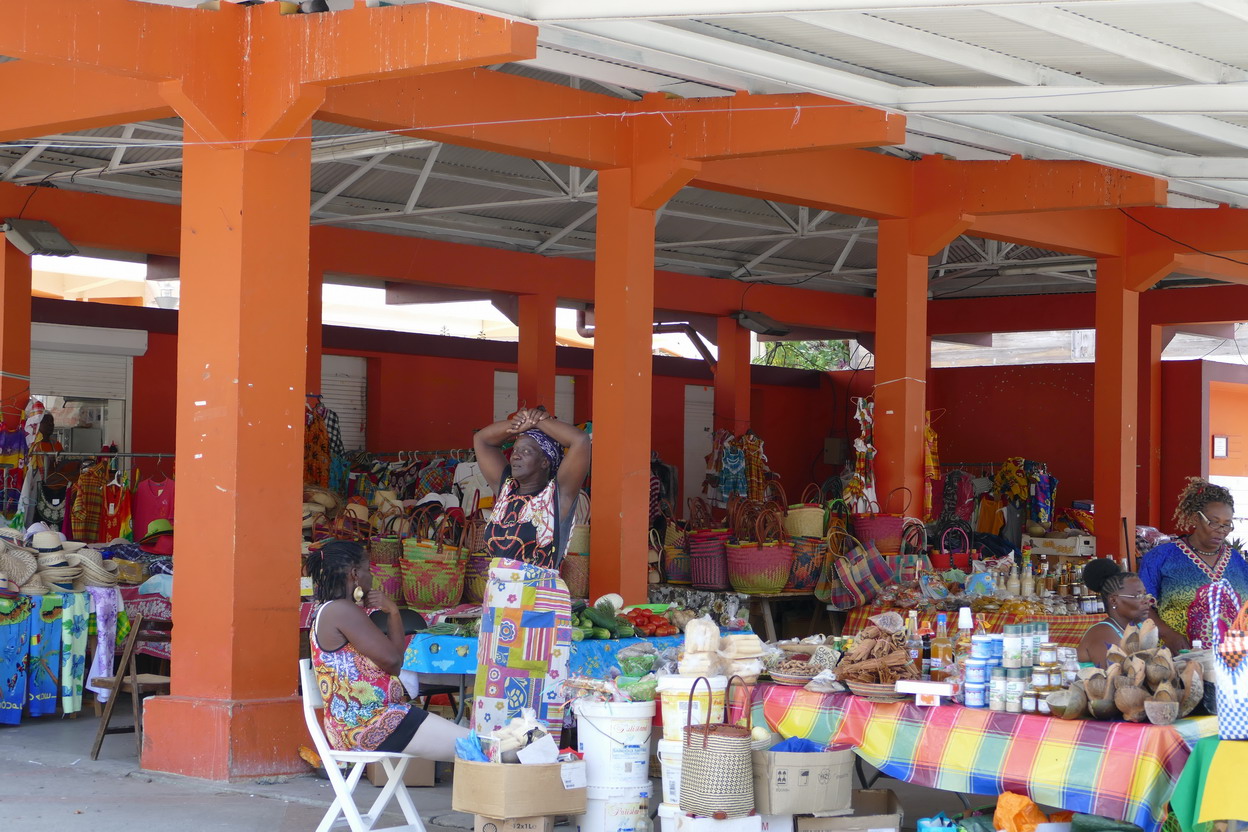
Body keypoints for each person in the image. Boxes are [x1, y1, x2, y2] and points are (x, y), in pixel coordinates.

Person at [471, 407, 591, 737]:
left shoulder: (559, 495)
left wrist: (539, 422)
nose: (517, 456)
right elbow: (482, 439)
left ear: (545, 463)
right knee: (494, 696)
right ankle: (493, 761)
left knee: (534, 699)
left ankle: (533, 767)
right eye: (515, 450)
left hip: (538, 611)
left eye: (528, 451)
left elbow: (580, 440)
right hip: (498, 614)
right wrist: (517, 426)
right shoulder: (505, 489)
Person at [308, 539, 467, 757]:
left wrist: (392, 611)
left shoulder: (335, 610)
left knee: (479, 746)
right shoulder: (342, 610)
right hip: (372, 724)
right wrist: (391, 610)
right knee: (480, 748)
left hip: (371, 722)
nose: (372, 576)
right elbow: (394, 663)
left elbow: (395, 660)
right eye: (367, 569)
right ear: (355, 574)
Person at [1138, 477, 1248, 651]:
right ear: (1196, 519)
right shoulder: (1161, 557)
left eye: (1227, 525)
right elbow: (1141, 605)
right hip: (1179, 658)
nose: (1221, 530)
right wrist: (1167, 633)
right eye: (1214, 522)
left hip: (1233, 660)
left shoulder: (1237, 561)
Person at [1077, 559, 1154, 666]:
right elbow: (1117, 678)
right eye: (1138, 596)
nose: (1146, 601)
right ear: (1113, 600)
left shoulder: (1140, 626)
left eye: (1145, 595)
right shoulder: (1103, 633)